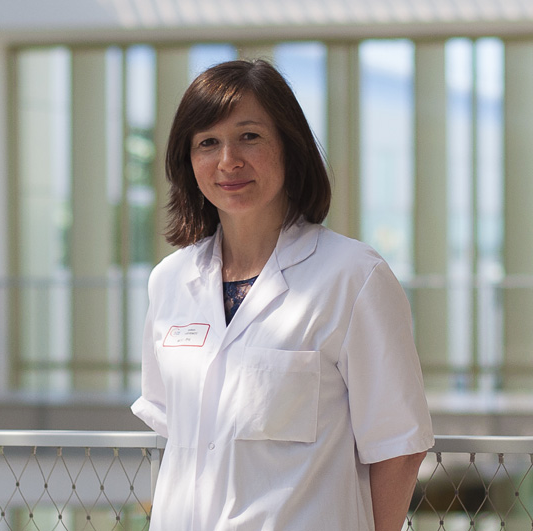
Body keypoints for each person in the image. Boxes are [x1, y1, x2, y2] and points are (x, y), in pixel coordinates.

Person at [131, 59, 434, 530]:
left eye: (249, 136)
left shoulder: (353, 277)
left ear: (289, 147)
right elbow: (176, 429)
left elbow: (400, 448)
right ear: (188, 163)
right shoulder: (169, 281)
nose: (228, 160)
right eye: (207, 143)